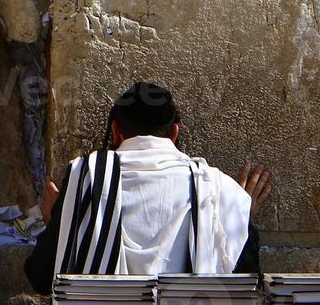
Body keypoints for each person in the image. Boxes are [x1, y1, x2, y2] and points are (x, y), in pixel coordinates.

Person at [24, 82, 272, 292]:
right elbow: (247, 288)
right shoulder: (219, 190)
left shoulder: (87, 177)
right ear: (174, 133)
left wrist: (59, 221)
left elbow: (42, 279)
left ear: (115, 132)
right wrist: (237, 219)